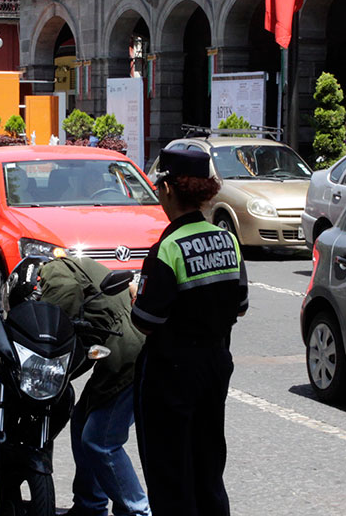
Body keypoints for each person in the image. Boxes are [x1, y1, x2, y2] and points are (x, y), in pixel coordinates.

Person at [131, 148, 248, 516]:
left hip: (171, 373)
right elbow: (240, 304)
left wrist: (137, 291)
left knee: (169, 475)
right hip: (215, 366)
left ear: (168, 189)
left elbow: (145, 320)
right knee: (208, 467)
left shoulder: (166, 249)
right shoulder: (227, 241)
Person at [39, 257, 151, 516]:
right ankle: (90, 506)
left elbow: (60, 308)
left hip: (127, 355)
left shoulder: (54, 270)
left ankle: (138, 511)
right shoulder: (78, 268)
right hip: (118, 351)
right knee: (81, 421)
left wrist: (45, 342)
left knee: (100, 441)